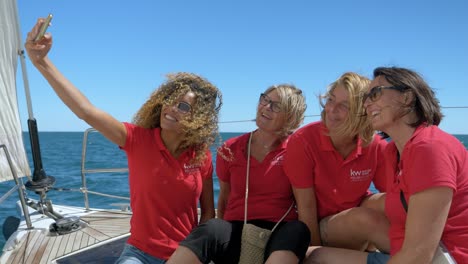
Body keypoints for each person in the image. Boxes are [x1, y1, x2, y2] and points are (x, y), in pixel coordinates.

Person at [25, 18, 222, 263]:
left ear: (199, 118)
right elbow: (86, 110)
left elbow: (208, 214)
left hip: (186, 254)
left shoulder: (200, 154)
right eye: (169, 99)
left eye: (183, 106)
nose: (171, 108)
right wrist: (42, 62)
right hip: (141, 254)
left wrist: (196, 254)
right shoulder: (137, 140)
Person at [307, 67, 468, 264]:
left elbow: (418, 255)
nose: (366, 103)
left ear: (407, 97)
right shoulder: (394, 152)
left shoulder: (430, 148)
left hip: (444, 257)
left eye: (375, 94)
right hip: (406, 253)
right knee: (314, 256)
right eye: (366, 97)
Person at [167, 84, 310, 264]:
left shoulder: (295, 151)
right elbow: (225, 200)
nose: (265, 106)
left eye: (276, 105)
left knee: (298, 229)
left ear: (290, 117)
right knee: (212, 228)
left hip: (280, 235)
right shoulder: (230, 149)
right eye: (264, 99)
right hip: (237, 232)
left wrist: (310, 250)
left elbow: (305, 205)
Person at [284, 72, 391, 255]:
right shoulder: (303, 141)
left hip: (355, 216)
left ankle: (416, 253)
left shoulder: (375, 146)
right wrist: (314, 254)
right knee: (364, 218)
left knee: (393, 201)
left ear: (363, 112)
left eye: (345, 106)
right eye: (331, 100)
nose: (332, 109)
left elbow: (391, 196)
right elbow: (306, 208)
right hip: (320, 225)